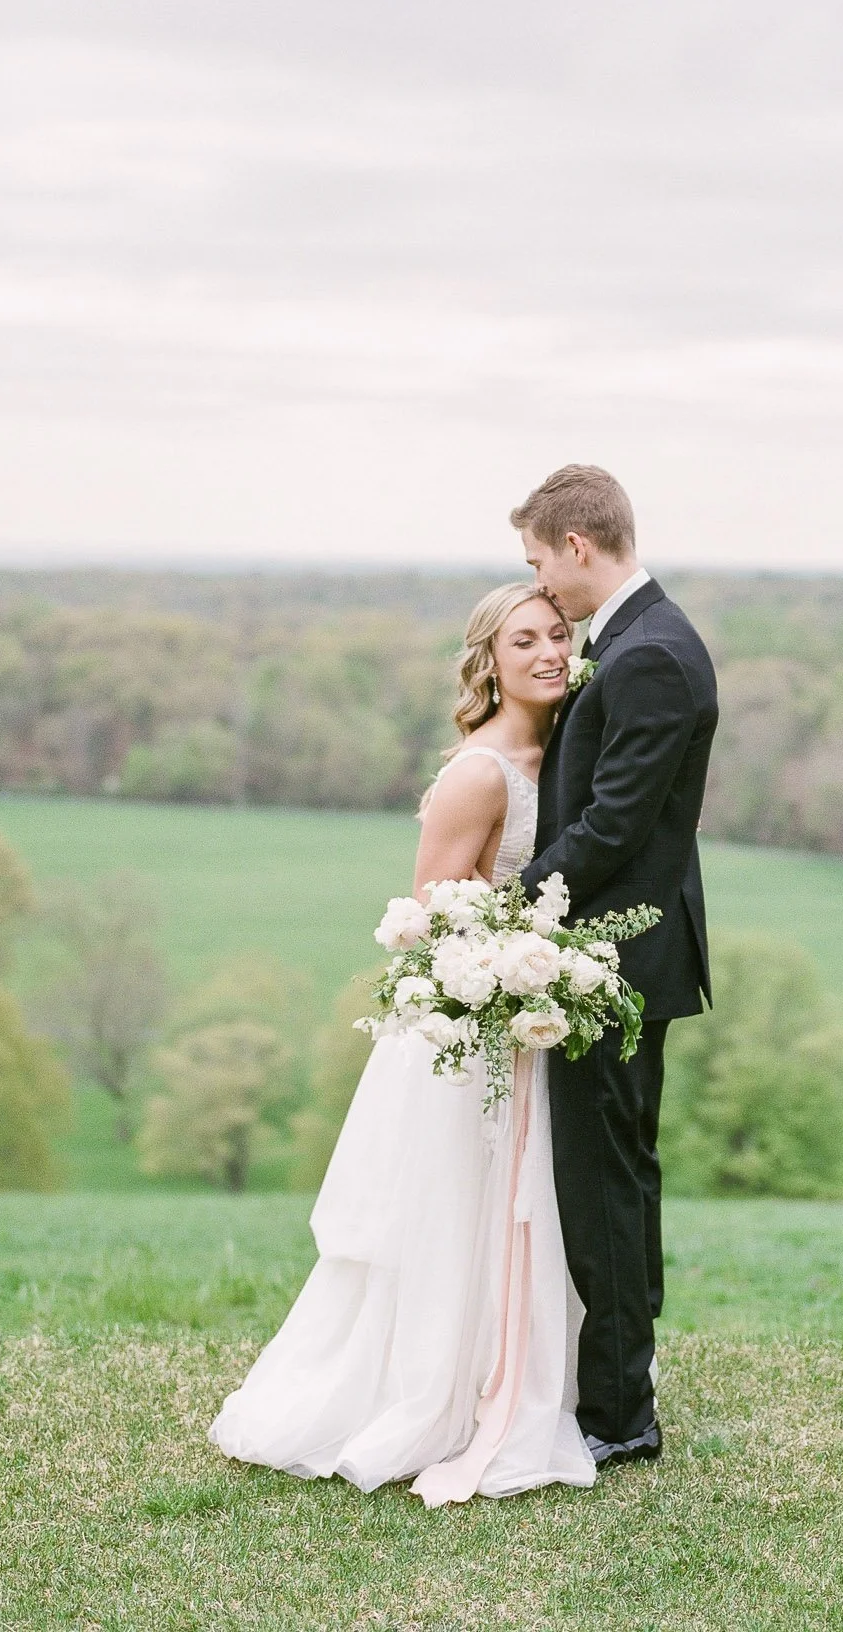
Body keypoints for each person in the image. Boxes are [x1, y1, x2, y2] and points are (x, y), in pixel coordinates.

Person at [210, 582, 597, 1503]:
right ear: (490, 661)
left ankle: (520, 1380)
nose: (548, 652)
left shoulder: (569, 753)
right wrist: (516, 971)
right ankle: (435, 1393)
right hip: (468, 1037)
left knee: (526, 1215)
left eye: (559, 635)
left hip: (534, 1027)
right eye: (525, 640)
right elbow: (432, 914)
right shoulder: (479, 771)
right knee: (457, 1214)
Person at [512, 464, 718, 1468]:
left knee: (603, 1184)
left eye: (539, 561)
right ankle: (617, 1396)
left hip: (614, 962)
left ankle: (618, 1416)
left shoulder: (648, 657)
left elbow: (609, 828)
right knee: (616, 1178)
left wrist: (512, 908)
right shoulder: (643, 641)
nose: (540, 584)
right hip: (619, 952)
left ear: (578, 547)